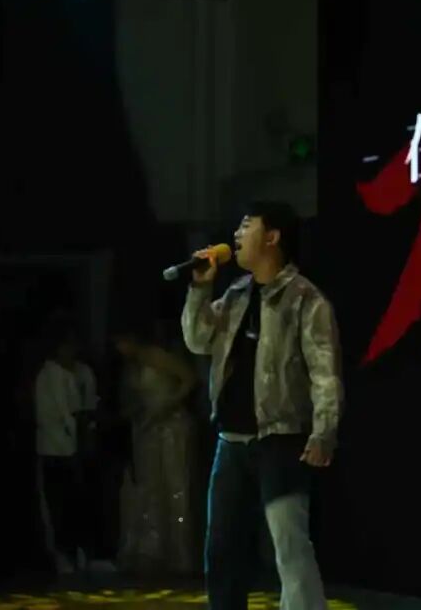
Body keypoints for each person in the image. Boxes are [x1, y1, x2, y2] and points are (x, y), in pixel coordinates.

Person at [182, 201, 343, 610]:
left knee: (289, 548)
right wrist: (199, 289)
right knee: (222, 548)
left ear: (272, 237)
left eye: (246, 226)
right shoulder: (237, 295)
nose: (236, 234)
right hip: (231, 441)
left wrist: (323, 431)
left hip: (281, 439)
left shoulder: (305, 298)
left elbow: (325, 372)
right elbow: (198, 340)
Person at [114, 326, 199, 575]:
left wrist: (168, 404)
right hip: (148, 428)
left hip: (171, 427)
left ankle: (180, 552)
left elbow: (190, 379)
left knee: (175, 484)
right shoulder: (132, 366)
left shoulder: (156, 356)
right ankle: (154, 550)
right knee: (151, 487)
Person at [33, 316, 99, 574]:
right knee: (58, 503)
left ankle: (82, 552)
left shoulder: (82, 372)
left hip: (78, 448)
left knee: (80, 502)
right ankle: (62, 554)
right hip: (55, 450)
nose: (70, 351)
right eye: (66, 345)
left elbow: (89, 405)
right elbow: (60, 415)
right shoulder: (49, 376)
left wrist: (87, 432)